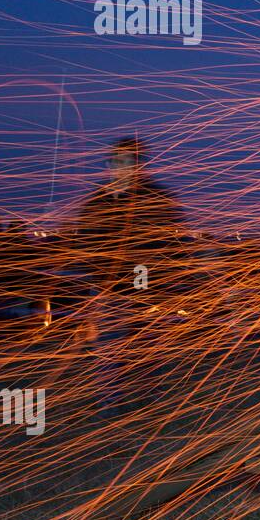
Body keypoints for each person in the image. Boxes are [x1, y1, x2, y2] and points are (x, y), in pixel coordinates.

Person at [72, 136, 185, 412]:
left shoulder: (157, 200)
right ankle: (110, 405)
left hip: (149, 290)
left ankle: (151, 402)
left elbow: (171, 243)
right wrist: (100, 277)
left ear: (138, 165)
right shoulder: (97, 202)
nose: (117, 167)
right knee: (109, 351)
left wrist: (164, 280)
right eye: (113, 161)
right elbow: (86, 243)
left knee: (148, 350)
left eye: (125, 161)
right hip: (111, 290)